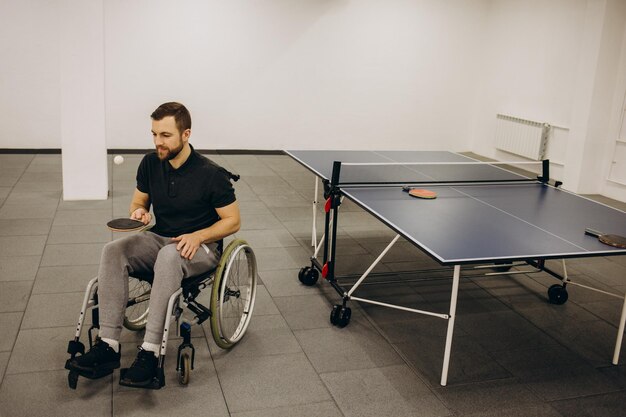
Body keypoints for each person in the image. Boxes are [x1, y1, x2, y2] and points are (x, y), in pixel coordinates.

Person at [66, 102, 240, 388]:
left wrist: (198, 236)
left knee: (170, 257)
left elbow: (232, 221)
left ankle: (150, 352)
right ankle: (108, 344)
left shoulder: (211, 175)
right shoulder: (150, 163)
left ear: (186, 134)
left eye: (166, 135)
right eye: (154, 134)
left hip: (201, 246)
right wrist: (140, 213)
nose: (158, 142)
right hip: (161, 237)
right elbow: (139, 201)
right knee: (113, 251)